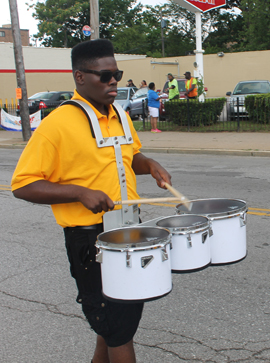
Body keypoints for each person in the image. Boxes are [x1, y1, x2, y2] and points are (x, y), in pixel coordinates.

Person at [11, 39, 172, 363]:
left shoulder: (121, 116)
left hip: (130, 230)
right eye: (104, 75)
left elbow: (129, 156)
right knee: (117, 328)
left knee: (114, 326)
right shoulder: (57, 124)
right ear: (79, 77)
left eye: (116, 73)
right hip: (90, 240)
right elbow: (22, 184)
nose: (113, 80)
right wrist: (79, 193)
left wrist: (148, 164)